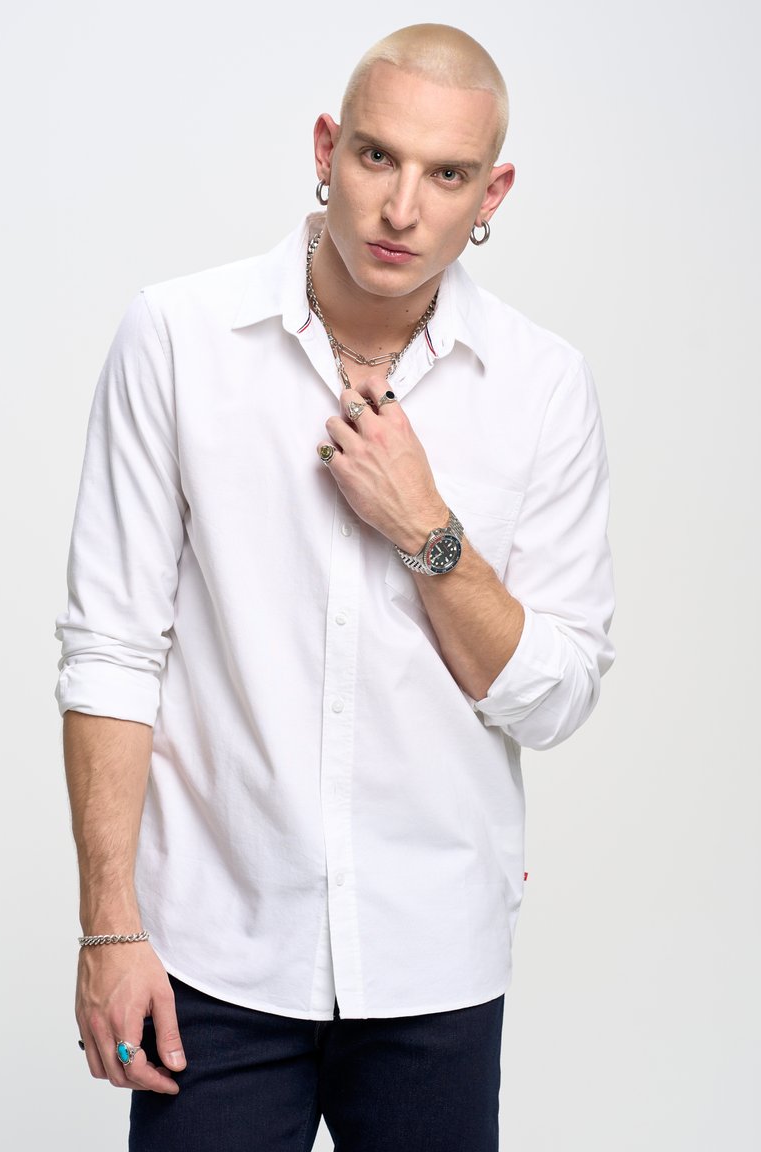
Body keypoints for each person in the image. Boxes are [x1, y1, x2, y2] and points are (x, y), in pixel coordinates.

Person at [56, 22, 614, 1152]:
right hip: (210, 956)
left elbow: (555, 697)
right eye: (376, 157)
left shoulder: (543, 387)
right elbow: (112, 648)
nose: (401, 208)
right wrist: (109, 928)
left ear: (491, 192)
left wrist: (426, 530)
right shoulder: (179, 339)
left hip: (434, 963)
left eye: (446, 174)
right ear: (326, 147)